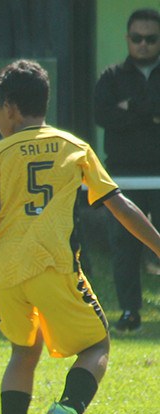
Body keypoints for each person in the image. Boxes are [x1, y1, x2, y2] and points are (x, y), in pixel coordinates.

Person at [0, 60, 160, 414]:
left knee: (23, 352)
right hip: (51, 264)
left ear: (10, 108)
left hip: (4, 273)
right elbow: (120, 206)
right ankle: (69, 407)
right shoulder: (74, 146)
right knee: (97, 344)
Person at [93, 8, 160, 333]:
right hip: (123, 174)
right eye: (137, 38)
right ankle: (130, 311)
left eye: (151, 38)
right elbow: (103, 115)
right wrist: (150, 114)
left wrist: (130, 106)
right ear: (127, 39)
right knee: (124, 244)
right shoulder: (111, 77)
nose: (143, 44)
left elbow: (119, 115)